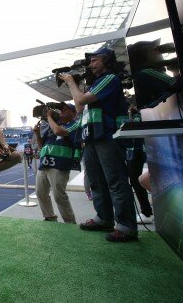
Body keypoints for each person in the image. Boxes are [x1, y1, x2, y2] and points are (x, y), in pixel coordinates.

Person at [60, 46, 137, 242]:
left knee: (115, 181)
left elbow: (80, 100)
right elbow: (79, 107)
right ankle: (103, 218)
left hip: (107, 136)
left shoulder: (110, 79)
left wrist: (70, 82)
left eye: (95, 60)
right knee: (96, 182)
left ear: (107, 60)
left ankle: (126, 226)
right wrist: (77, 85)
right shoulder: (96, 83)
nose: (91, 64)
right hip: (92, 138)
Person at [33, 104, 80, 223]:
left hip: (60, 165)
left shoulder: (74, 124)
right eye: (62, 109)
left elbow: (58, 131)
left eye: (67, 109)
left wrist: (49, 116)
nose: (63, 110)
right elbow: (41, 146)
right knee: (40, 192)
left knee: (59, 195)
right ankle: (49, 217)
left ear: (74, 113)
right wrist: (37, 134)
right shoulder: (52, 126)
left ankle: (70, 222)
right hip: (44, 164)